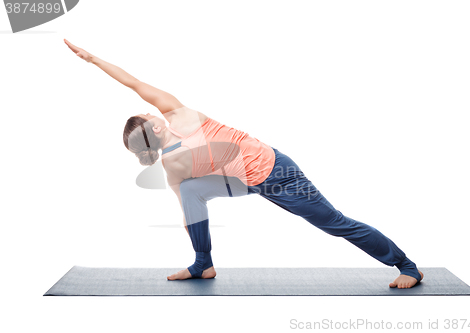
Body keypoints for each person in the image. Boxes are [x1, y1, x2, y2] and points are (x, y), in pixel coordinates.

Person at [64, 39, 424, 289]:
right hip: (251, 179)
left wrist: (93, 60)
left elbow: (132, 84)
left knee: (333, 224)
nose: (147, 107)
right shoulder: (176, 117)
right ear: (154, 126)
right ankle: (203, 264)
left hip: (278, 174)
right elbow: (134, 82)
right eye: (144, 113)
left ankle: (406, 266)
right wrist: (92, 60)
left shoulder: (170, 156)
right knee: (192, 192)